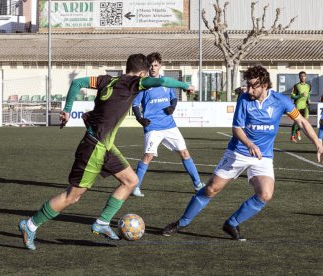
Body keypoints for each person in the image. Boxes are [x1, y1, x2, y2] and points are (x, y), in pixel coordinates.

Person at [18, 53, 195, 250]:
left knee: (131, 181)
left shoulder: (106, 80)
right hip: (94, 147)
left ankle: (102, 222)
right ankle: (31, 224)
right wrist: (185, 86)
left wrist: (67, 110)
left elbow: (77, 83)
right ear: (143, 73)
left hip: (105, 146)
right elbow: (162, 80)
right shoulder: (134, 83)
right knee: (72, 196)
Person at [162, 65, 323, 241]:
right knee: (211, 189)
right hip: (238, 152)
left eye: (253, 85)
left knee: (265, 194)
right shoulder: (244, 99)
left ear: (264, 85)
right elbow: (237, 129)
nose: (248, 89)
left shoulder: (281, 101)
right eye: (247, 85)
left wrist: (318, 143)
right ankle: (182, 222)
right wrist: (249, 144)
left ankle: (232, 223)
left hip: (262, 156)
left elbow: (302, 122)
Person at [131, 52, 204, 197]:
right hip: (153, 126)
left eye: (156, 65)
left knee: (185, 153)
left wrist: (172, 107)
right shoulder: (144, 84)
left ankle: (198, 184)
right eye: (150, 65)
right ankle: (135, 187)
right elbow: (135, 104)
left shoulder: (166, 82)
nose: (153, 68)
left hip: (169, 125)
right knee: (148, 156)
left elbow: (174, 98)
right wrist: (140, 118)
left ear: (160, 66)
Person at [290, 71, 311, 142]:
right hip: (298, 106)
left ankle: (298, 131)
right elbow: (292, 96)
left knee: (305, 121)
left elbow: (309, 94)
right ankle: (292, 136)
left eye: (304, 76)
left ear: (306, 77)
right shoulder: (296, 86)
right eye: (301, 76)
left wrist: (308, 99)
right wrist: (300, 95)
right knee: (297, 122)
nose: (303, 77)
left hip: (305, 106)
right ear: (299, 77)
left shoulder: (308, 86)